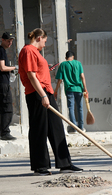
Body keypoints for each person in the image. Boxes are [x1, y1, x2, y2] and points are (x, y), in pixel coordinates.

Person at [18, 28, 83, 176]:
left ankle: (65, 163)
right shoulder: (29, 51)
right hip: (37, 93)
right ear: (39, 37)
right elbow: (31, 75)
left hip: (46, 92)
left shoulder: (35, 53)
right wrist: (42, 96)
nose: (45, 45)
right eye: (45, 42)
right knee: (39, 129)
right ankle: (40, 166)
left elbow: (36, 71)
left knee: (56, 126)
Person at [54, 51, 88, 132]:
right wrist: (85, 89)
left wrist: (56, 91)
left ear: (66, 58)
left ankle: (74, 128)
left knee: (71, 108)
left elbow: (59, 80)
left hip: (69, 90)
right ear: (73, 57)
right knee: (80, 108)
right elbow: (82, 77)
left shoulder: (63, 65)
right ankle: (81, 127)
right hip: (79, 89)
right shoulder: (78, 63)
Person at [0, 32, 17, 140]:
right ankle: (5, 132)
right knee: (7, 107)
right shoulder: (1, 50)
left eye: (11, 41)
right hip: (2, 84)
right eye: (8, 41)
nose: (10, 43)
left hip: (3, 82)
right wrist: (14, 68)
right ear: (2, 40)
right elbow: (2, 68)